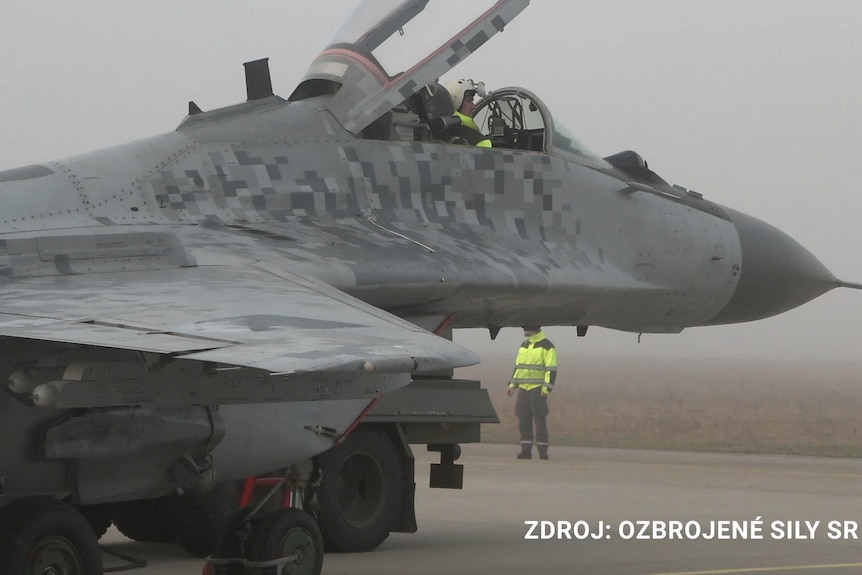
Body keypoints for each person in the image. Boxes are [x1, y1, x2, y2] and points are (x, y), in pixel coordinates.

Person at [507, 326, 557, 460]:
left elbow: (551, 369)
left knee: (539, 419)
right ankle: (525, 450)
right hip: (524, 388)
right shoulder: (524, 345)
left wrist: (546, 389)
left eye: (527, 328)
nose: (524, 331)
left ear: (534, 329)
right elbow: (519, 367)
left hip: (538, 389)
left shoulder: (547, 346)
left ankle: (542, 450)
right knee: (523, 419)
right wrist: (512, 385)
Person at [443, 79, 492, 148]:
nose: (474, 106)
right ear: (456, 102)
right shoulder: (479, 141)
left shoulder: (444, 131)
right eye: (469, 101)